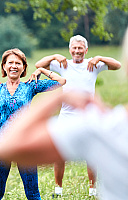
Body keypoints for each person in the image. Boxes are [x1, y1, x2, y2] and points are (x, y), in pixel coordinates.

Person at [0, 48, 66, 200]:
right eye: (10, 63)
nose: (14, 66)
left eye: (18, 63)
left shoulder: (30, 86)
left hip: (26, 144)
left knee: (33, 194)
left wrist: (41, 70)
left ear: (23, 67)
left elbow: (61, 81)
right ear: (4, 66)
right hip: (2, 144)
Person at [35, 34, 121, 197]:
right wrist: (54, 56)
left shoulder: (93, 64)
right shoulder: (62, 64)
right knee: (59, 152)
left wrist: (100, 57)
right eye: (74, 48)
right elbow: (38, 64)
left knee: (92, 153)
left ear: (86, 50)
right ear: (69, 49)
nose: (77, 51)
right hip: (66, 114)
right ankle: (58, 190)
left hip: (88, 114)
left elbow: (117, 65)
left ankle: (92, 190)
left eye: (80, 48)